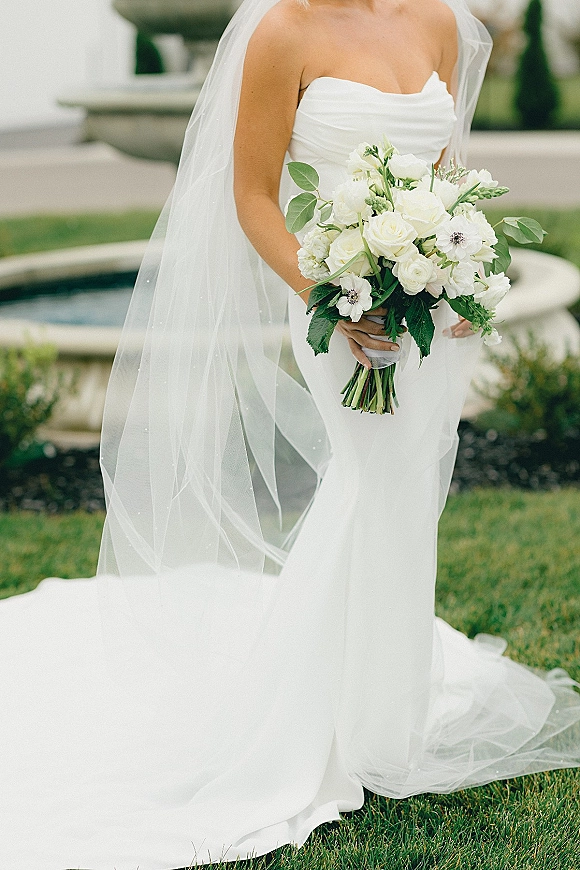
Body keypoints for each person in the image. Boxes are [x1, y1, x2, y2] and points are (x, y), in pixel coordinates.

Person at [0, 1, 579, 868]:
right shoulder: (282, 32)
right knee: (366, 483)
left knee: (404, 489)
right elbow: (252, 194)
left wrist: (463, 271)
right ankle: (319, 725)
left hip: (425, 312)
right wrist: (331, 297)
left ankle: (385, 699)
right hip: (341, 311)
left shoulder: (438, 21)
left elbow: (449, 169)